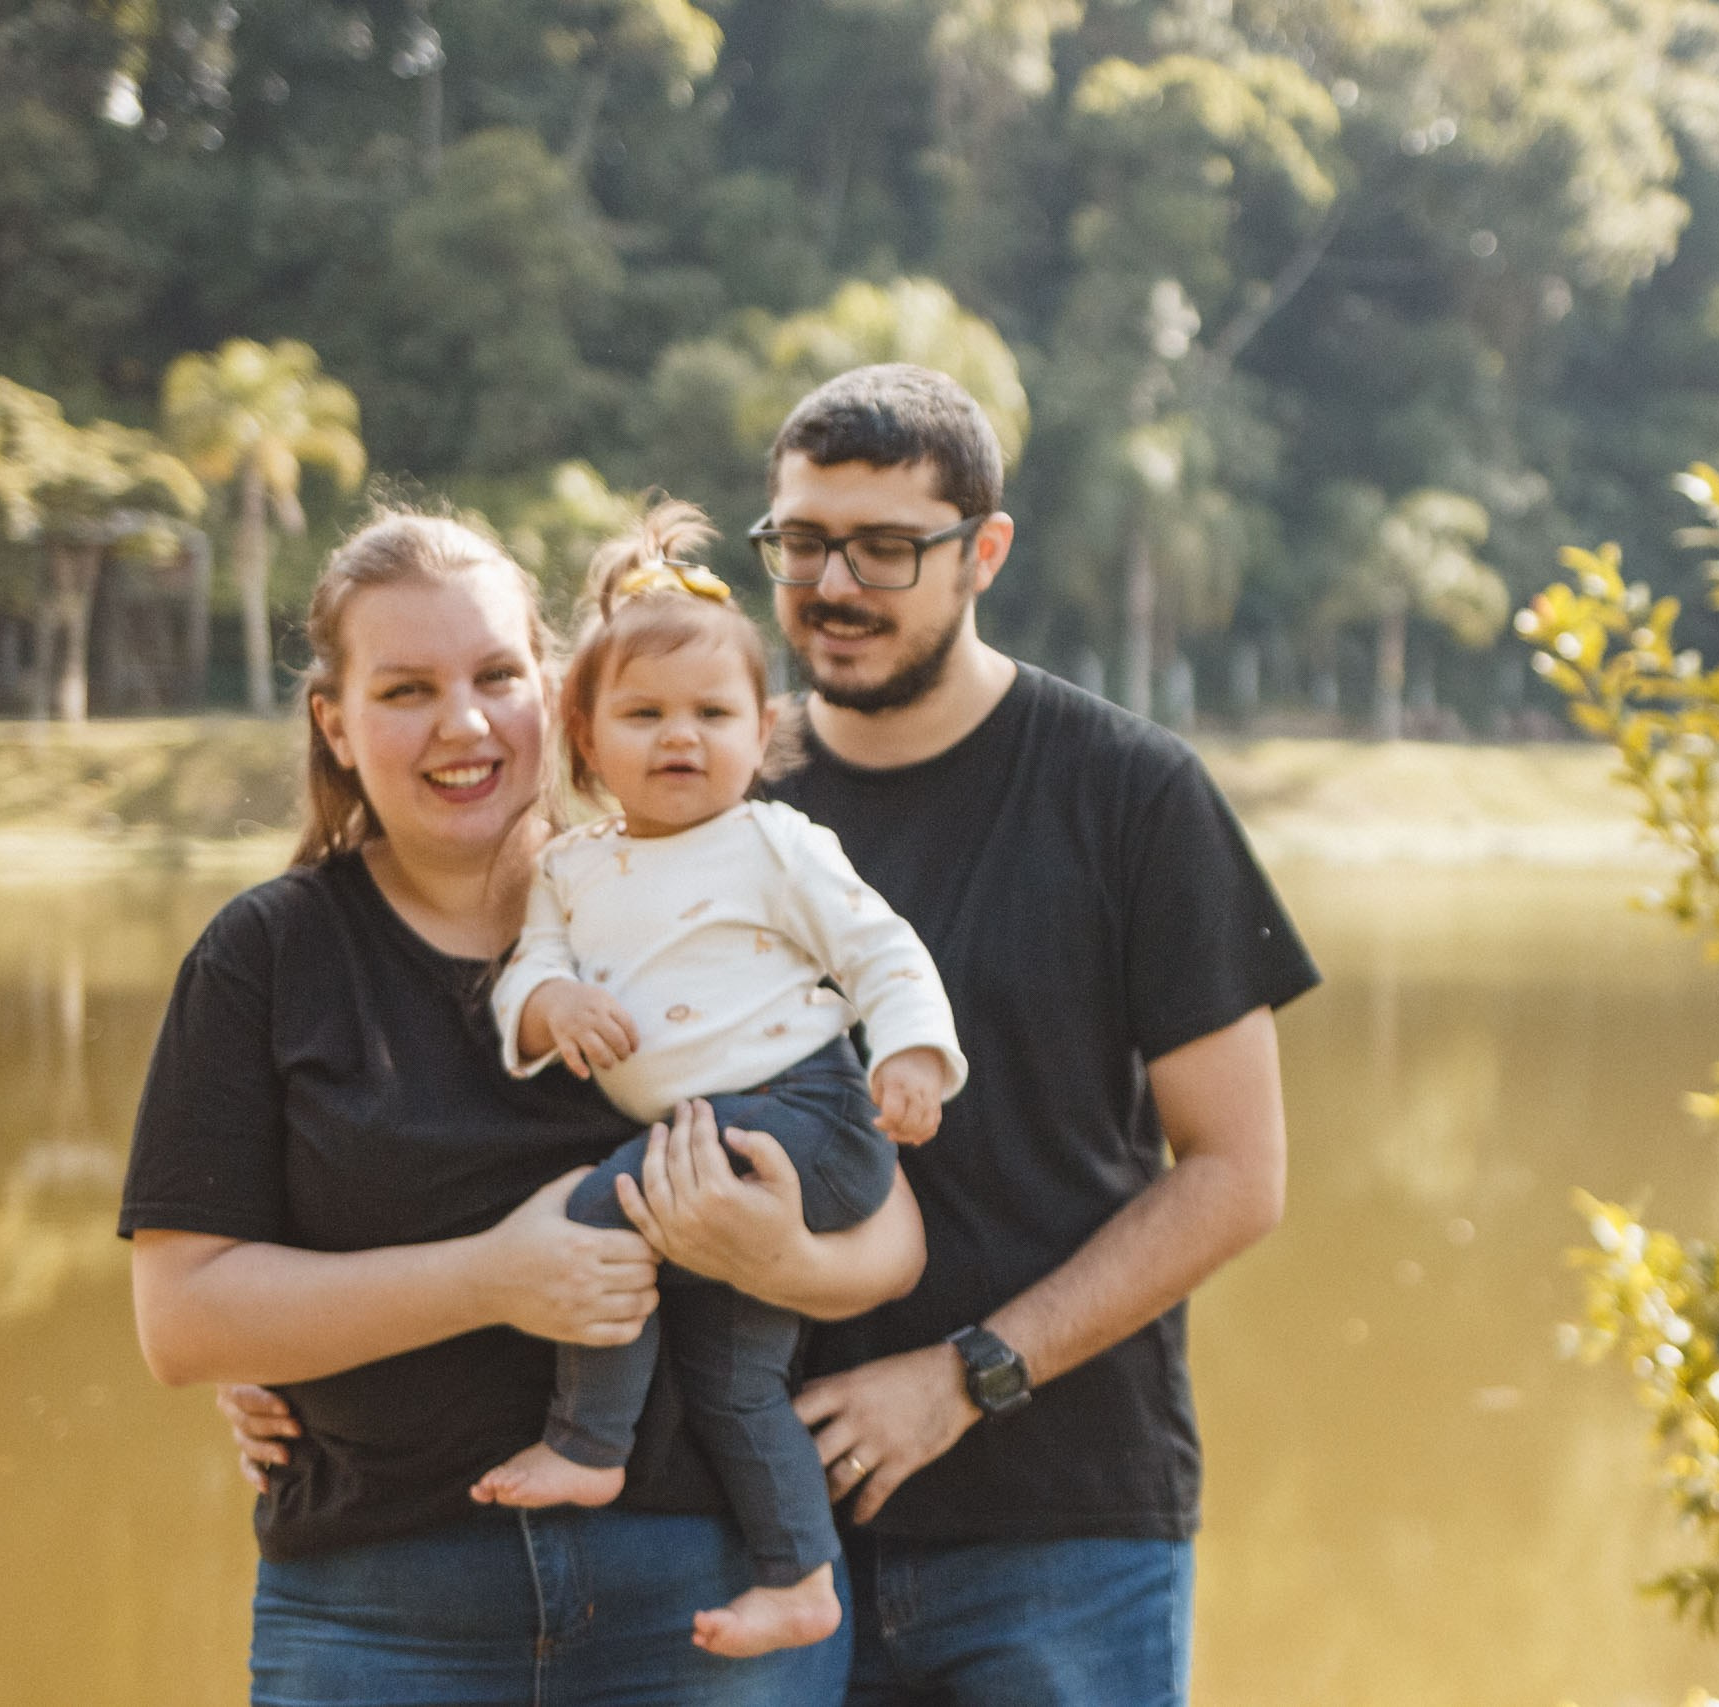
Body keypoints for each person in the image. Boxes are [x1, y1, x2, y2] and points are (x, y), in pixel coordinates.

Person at [222, 365, 1318, 1703]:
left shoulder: (1131, 793)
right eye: (802, 540)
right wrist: (308, 1365)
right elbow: (459, 1106)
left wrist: (969, 1375)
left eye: (886, 546)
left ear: (985, 551)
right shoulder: (680, 782)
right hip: (750, 1533)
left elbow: (1236, 1174)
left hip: (1054, 1518)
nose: (835, 581)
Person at [123, 510, 925, 1706]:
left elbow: (889, 1236)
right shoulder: (268, 956)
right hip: (380, 1611)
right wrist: (495, 1276)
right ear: (335, 723)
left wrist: (780, 1258)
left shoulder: (698, 884)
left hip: (701, 1600)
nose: (463, 723)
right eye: (404, 689)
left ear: (556, 697)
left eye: (497, 676)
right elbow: (185, 1324)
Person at [471, 501, 966, 1662]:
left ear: (763, 731)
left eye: (711, 714)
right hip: (717, 1141)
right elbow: (528, 973)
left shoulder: (777, 843)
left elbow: (879, 949)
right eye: (642, 715)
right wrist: (552, 1007)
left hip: (809, 1118)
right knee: (736, 1383)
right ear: (583, 737)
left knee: (609, 1206)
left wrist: (908, 1054)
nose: (678, 738)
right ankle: (799, 1580)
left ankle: (589, 1445)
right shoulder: (572, 868)